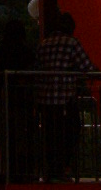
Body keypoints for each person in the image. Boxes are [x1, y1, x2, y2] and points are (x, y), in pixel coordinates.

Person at [37, 11, 94, 179]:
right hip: (65, 97)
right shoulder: (71, 43)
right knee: (70, 132)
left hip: (46, 98)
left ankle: (51, 169)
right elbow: (87, 67)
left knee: (51, 135)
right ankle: (63, 167)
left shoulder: (43, 44)